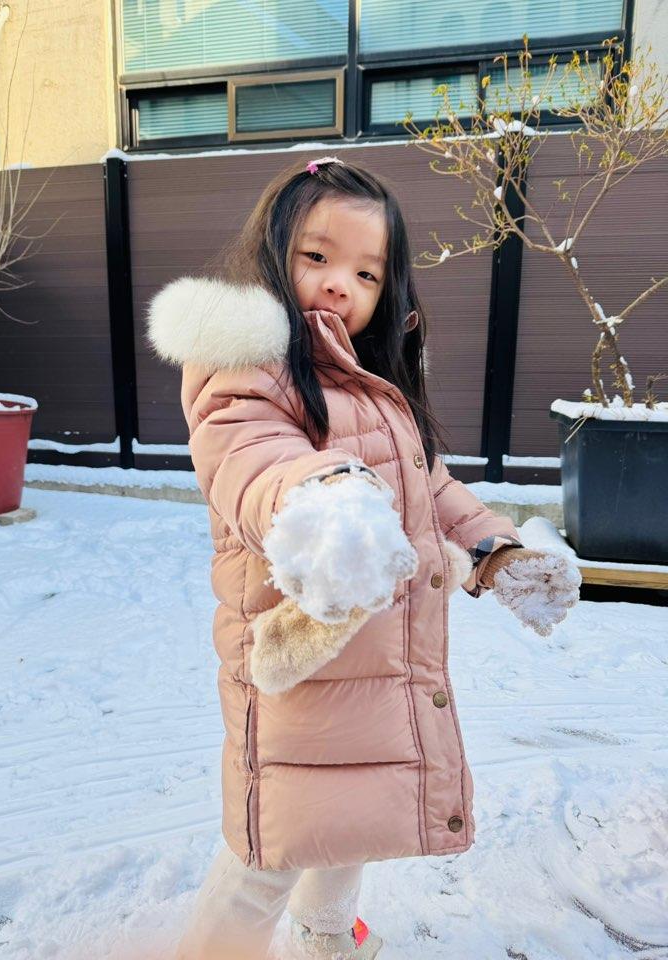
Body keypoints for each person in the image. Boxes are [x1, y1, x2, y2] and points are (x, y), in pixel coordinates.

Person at [146, 156, 581, 960]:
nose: (339, 283)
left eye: (366, 272)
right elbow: (255, 464)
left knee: (353, 815)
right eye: (317, 256)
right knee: (274, 846)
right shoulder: (244, 369)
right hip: (302, 658)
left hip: (381, 651)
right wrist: (325, 499)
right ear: (271, 252)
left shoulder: (370, 381)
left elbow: (432, 487)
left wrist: (495, 552)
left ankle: (327, 934)